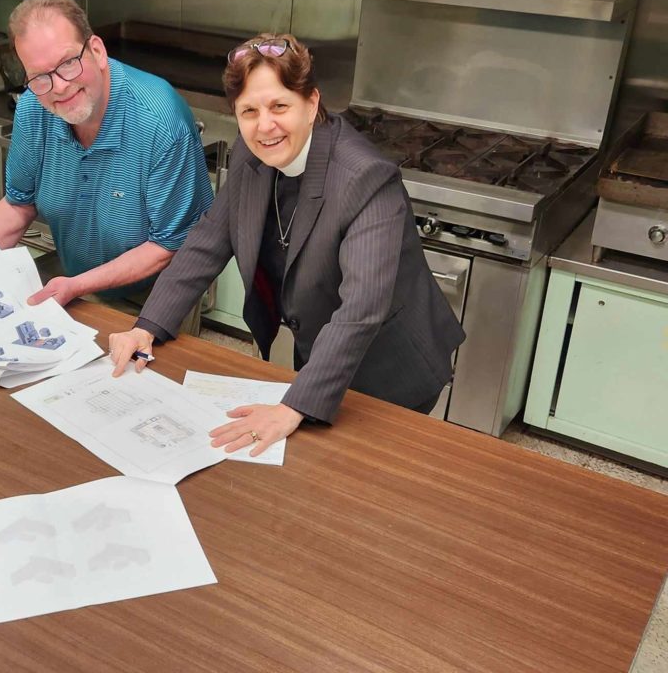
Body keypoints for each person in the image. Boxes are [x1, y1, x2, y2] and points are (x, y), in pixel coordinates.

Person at [109, 34, 465, 457]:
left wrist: (295, 405)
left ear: (311, 104)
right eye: (249, 111)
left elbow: (361, 308)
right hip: (319, 354)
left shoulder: (365, 178)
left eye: (279, 106)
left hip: (391, 369)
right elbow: (209, 239)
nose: (265, 126)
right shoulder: (251, 154)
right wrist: (147, 326)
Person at [0, 0, 213, 314]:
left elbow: (167, 246)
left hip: (160, 294)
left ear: (98, 52)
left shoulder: (162, 123)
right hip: (77, 283)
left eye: (68, 64)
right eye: (40, 77)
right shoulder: (34, 109)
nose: (59, 86)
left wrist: (77, 286)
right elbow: (18, 205)